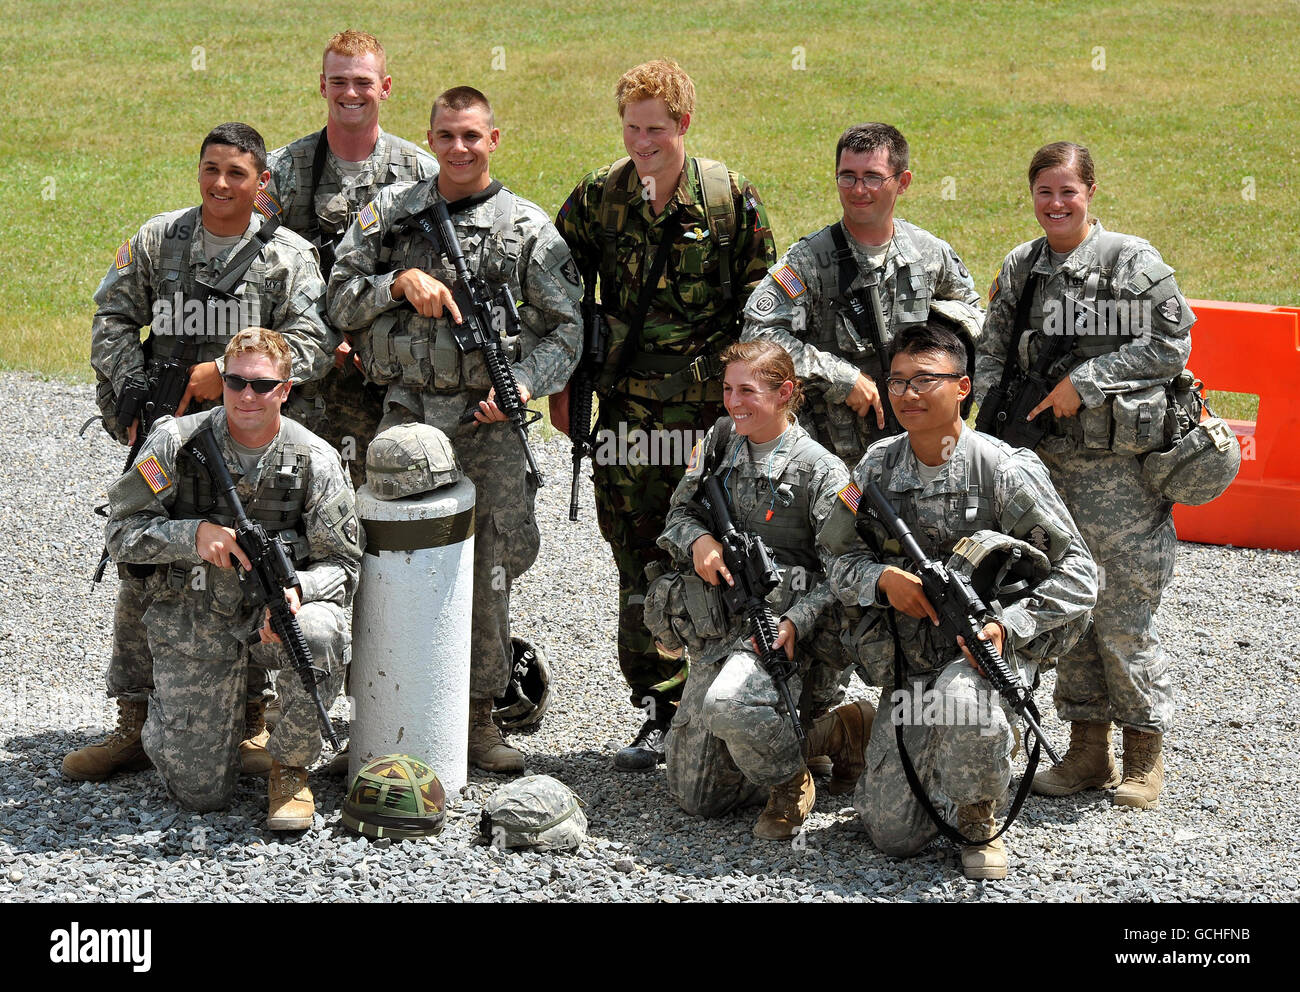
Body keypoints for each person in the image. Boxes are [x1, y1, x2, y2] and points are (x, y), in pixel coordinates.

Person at [69, 123, 335, 784]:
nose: (221, 184)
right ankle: (133, 719)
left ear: (261, 181)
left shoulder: (289, 257)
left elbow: (314, 346)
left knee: (246, 565)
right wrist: (132, 398)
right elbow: (111, 317)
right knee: (142, 563)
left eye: (237, 173)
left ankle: (248, 717)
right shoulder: (160, 239)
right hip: (170, 436)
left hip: (245, 440)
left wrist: (224, 373)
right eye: (210, 169)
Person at [327, 86, 582, 774]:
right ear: (430, 138)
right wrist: (399, 282)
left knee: (490, 569)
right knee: (385, 564)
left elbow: (567, 330)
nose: (459, 147)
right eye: (446, 135)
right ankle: (378, 713)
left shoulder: (526, 228)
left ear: (493, 139)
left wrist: (524, 384)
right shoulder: (392, 214)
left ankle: (474, 720)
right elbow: (338, 296)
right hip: (407, 421)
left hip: (488, 427)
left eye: (472, 135)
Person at [553, 58, 777, 770]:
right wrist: (564, 387)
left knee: (721, 558)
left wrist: (750, 407)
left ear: (683, 124)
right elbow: (560, 293)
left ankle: (726, 704)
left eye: (655, 129)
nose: (641, 142)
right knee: (635, 564)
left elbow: (762, 308)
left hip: (710, 420)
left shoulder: (728, 199)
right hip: (624, 418)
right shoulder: (598, 198)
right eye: (631, 128)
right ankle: (657, 711)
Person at [740, 122, 984, 757]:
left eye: (873, 176)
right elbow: (762, 336)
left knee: (911, 578)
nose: (858, 188)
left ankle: (912, 726)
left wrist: (923, 373)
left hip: (912, 463)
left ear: (900, 182)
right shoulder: (811, 259)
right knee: (821, 578)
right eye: (847, 175)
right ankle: (813, 729)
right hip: (831, 464)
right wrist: (841, 373)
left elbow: (973, 330)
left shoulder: (931, 257)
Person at [820, 321, 1096, 878]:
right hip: (912, 662)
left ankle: (977, 817)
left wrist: (1007, 627)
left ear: (963, 388)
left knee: (965, 700)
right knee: (891, 833)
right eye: (896, 382)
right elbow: (833, 555)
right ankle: (880, 729)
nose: (908, 394)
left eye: (926, 380)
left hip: (982, 658)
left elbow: (1080, 574)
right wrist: (883, 581)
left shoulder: (1004, 470)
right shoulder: (873, 467)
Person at [974, 142, 1195, 810]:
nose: (1056, 204)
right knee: (1065, 606)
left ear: (1090, 191)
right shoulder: (1023, 267)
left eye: (1068, 191)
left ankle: (1144, 755)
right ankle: (1086, 753)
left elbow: (1172, 342)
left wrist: (1086, 383)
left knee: (1125, 615)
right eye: (1045, 192)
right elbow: (992, 350)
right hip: (1045, 471)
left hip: (1119, 476)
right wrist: (995, 428)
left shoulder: (1131, 264)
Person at [103, 328, 361, 829]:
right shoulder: (175, 443)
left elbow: (346, 565)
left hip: (271, 616)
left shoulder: (317, 459)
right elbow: (121, 532)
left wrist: (298, 590)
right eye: (236, 381)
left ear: (285, 390)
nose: (247, 395)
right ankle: (168, 724)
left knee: (321, 631)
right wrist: (192, 534)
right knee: (199, 794)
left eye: (262, 385)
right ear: (221, 380)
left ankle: (289, 768)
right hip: (194, 615)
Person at [652, 340, 871, 839]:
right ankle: (819, 734)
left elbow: (847, 571)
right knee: (697, 797)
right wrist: (700, 541)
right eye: (728, 389)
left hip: (783, 633)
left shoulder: (822, 471)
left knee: (729, 706)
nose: (733, 402)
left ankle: (795, 775)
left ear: (785, 392)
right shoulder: (719, 440)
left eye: (747, 391)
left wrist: (797, 620)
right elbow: (678, 515)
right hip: (722, 622)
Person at [264, 29, 438, 488]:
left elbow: (443, 271)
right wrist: (328, 337)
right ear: (323, 86)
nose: (350, 93)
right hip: (304, 371)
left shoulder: (423, 174)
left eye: (363, 81)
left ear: (385, 87)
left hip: (391, 370)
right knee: (292, 493)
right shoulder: (282, 171)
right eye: (338, 81)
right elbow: (256, 272)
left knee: (388, 498)